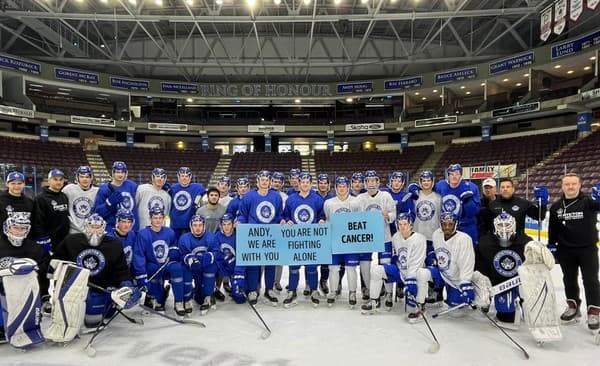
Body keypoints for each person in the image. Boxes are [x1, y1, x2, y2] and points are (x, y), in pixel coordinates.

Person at [48, 214, 139, 341]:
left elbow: (121, 270)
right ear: (85, 227)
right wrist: (54, 288)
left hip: (101, 288)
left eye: (98, 227)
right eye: (92, 227)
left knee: (93, 322)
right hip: (76, 288)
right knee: (70, 315)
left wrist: (127, 286)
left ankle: (106, 305)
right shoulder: (71, 241)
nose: (95, 231)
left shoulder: (114, 244)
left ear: (104, 228)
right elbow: (56, 262)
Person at [548, 173, 600, 331]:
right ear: (562, 186)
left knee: (590, 280)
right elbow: (553, 228)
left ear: (579, 185)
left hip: (587, 249)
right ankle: (573, 306)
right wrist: (552, 245)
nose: (570, 187)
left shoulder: (588, 202)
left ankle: (594, 311)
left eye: (573, 184)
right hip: (565, 250)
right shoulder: (556, 206)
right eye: (567, 184)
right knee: (569, 279)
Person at [412, 212, 475, 321]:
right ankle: (420, 305)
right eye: (444, 224)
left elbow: (467, 263)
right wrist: (432, 257)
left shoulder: (464, 239)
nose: (446, 227)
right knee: (421, 273)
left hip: (456, 280)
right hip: (442, 274)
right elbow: (435, 251)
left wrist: (465, 283)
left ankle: (474, 294)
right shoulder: (437, 234)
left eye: (450, 224)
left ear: (456, 224)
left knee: (456, 313)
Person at [361, 213, 426, 317]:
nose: (402, 227)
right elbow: (396, 256)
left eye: (405, 224)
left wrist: (410, 281)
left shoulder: (419, 239)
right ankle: (374, 301)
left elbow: (416, 263)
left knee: (411, 310)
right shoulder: (396, 237)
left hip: (414, 275)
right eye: (400, 224)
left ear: (410, 225)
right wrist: (395, 258)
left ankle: (420, 305)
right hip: (400, 271)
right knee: (376, 270)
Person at [236, 170, 285, 305]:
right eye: (262, 179)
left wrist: (281, 221)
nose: (264, 182)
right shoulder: (248, 197)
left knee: (270, 263)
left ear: (269, 182)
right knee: (254, 263)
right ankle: (252, 290)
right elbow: (242, 214)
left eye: (266, 179)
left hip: (271, 235)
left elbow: (279, 215)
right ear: (257, 181)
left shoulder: (276, 197)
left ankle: (269, 289)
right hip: (253, 235)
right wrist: (240, 221)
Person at [0, 213, 49, 347]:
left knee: (31, 317)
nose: (19, 231)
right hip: (3, 291)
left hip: (27, 290)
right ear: (7, 228)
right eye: (16, 227)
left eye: (23, 228)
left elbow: (44, 267)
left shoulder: (34, 247)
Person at [475, 213, 529, 323]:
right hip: (497, 284)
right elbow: (478, 267)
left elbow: (532, 267)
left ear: (514, 225)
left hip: (518, 282)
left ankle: (525, 302)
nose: (504, 229)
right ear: (494, 226)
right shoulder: (485, 242)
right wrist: (483, 286)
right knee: (507, 317)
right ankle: (489, 300)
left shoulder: (525, 241)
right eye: (500, 225)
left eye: (507, 225)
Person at [282, 172, 326, 308]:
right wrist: (287, 221)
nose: (305, 184)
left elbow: (321, 215)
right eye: (302, 182)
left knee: (311, 266)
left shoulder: (318, 199)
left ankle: (313, 291)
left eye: (307, 182)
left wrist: (321, 220)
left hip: (311, 238)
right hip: (296, 238)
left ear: (310, 183)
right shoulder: (291, 199)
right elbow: (285, 215)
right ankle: (292, 291)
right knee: (294, 266)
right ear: (299, 184)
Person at [133, 207, 185, 316]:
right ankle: (154, 298)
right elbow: (139, 255)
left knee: (177, 268)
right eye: (155, 218)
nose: (158, 220)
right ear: (150, 218)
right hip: (152, 265)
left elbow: (174, 246)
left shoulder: (169, 232)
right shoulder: (143, 234)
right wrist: (141, 275)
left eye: (160, 218)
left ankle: (179, 302)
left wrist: (174, 252)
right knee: (152, 268)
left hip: (166, 264)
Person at [357, 170, 396, 305]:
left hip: (384, 237)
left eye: (374, 180)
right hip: (366, 238)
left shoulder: (386, 196)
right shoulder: (360, 198)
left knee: (386, 265)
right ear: (365, 183)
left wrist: (388, 216)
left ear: (378, 182)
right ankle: (370, 290)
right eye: (369, 181)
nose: (371, 183)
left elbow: (393, 214)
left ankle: (389, 293)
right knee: (365, 265)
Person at [323, 176, 362, 308]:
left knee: (351, 268)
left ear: (348, 187)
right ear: (335, 188)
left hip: (350, 242)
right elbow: (327, 219)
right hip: (334, 241)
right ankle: (333, 291)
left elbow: (361, 221)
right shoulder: (329, 203)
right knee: (333, 268)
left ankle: (352, 292)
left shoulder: (356, 202)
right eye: (339, 186)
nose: (342, 188)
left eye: (344, 186)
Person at [179, 215, 220, 315]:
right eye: (195, 225)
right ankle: (187, 299)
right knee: (184, 270)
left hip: (205, 267)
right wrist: (189, 259)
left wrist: (206, 258)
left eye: (200, 225)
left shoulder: (211, 237)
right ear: (191, 226)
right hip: (192, 268)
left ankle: (208, 295)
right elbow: (181, 255)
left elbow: (217, 252)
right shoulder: (184, 238)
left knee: (211, 268)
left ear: (204, 226)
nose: (197, 228)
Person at [434, 163, 481, 245]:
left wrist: (469, 203)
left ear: (461, 175)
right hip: (446, 227)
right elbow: (427, 191)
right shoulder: (440, 185)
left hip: (466, 226)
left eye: (457, 174)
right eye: (451, 174)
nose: (454, 176)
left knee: (469, 251)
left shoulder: (471, 187)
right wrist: (416, 188)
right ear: (448, 176)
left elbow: (473, 213)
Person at [31, 169, 69, 254]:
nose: (58, 182)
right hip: (48, 240)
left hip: (63, 240)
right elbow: (37, 222)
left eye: (61, 179)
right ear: (49, 180)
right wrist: (42, 239)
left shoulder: (64, 197)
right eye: (55, 179)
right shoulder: (40, 198)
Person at [94, 161, 139, 233]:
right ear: (113, 173)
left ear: (126, 173)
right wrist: (108, 204)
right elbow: (97, 213)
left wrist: (162, 187)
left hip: (131, 230)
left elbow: (145, 192)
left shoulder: (131, 185)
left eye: (122, 172)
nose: (120, 174)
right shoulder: (104, 189)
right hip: (112, 230)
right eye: (117, 172)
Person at [215, 213, 245, 303]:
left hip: (235, 268)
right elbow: (216, 254)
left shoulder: (239, 235)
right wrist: (223, 262)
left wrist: (235, 267)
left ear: (233, 224)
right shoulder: (217, 236)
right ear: (221, 225)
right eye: (224, 224)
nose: (226, 227)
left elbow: (243, 256)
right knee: (211, 268)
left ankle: (238, 288)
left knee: (239, 298)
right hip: (223, 265)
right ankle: (214, 289)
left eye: (229, 224)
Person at [169, 167, 207, 238]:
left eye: (186, 176)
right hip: (175, 224)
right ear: (178, 176)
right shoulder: (172, 188)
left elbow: (209, 195)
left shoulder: (198, 188)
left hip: (190, 225)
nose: (184, 178)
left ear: (190, 177)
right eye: (182, 176)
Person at [62, 166, 99, 234]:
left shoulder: (97, 191)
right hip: (72, 230)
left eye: (87, 177)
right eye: (82, 177)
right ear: (77, 178)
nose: (85, 179)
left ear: (91, 178)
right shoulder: (68, 189)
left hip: (91, 231)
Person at [270, 171, 288, 292]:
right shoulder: (265, 194)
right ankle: (262, 283)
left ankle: (277, 281)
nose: (276, 184)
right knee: (264, 258)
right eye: (274, 181)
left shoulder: (285, 197)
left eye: (279, 182)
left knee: (279, 258)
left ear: (282, 184)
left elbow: (286, 214)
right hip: (266, 230)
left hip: (279, 231)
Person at [382, 171, 414, 237]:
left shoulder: (406, 196)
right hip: (384, 226)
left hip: (399, 229)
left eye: (399, 181)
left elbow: (412, 214)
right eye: (394, 181)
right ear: (391, 182)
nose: (396, 183)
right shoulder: (383, 192)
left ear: (402, 183)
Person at [106, 209, 136, 279]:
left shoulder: (132, 235)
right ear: (117, 222)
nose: (127, 225)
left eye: (129, 222)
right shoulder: (109, 238)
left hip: (128, 274)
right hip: (113, 275)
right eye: (123, 222)